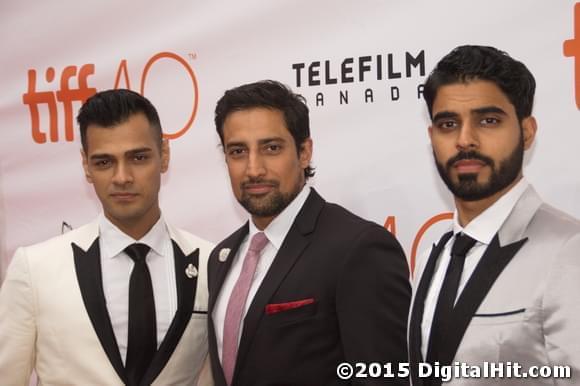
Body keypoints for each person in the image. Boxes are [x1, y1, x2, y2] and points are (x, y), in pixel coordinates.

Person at [0, 89, 213, 385]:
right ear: (86, 165)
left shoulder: (210, 264)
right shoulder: (35, 269)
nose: (122, 177)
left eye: (138, 157)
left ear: (164, 155)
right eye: (103, 162)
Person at [207, 80, 411, 386]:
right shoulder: (221, 258)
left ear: (304, 152)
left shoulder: (358, 249)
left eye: (271, 148)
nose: (253, 169)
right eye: (238, 151)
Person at [408, 45, 580, 385]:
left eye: (488, 121)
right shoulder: (433, 254)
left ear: (527, 132)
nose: (465, 140)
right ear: (432, 137)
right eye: (447, 123)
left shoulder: (568, 250)